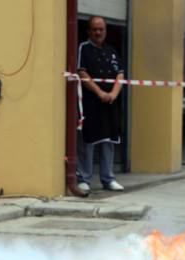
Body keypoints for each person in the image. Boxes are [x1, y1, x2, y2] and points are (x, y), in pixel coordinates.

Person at [76, 16, 124, 193]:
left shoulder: (111, 51)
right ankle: (84, 179)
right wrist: (100, 93)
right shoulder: (84, 48)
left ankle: (108, 178)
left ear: (105, 31)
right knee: (88, 140)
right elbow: (81, 72)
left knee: (108, 140)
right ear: (89, 31)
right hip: (90, 104)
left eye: (101, 29)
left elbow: (120, 75)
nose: (98, 32)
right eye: (94, 29)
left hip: (110, 104)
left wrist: (112, 94)